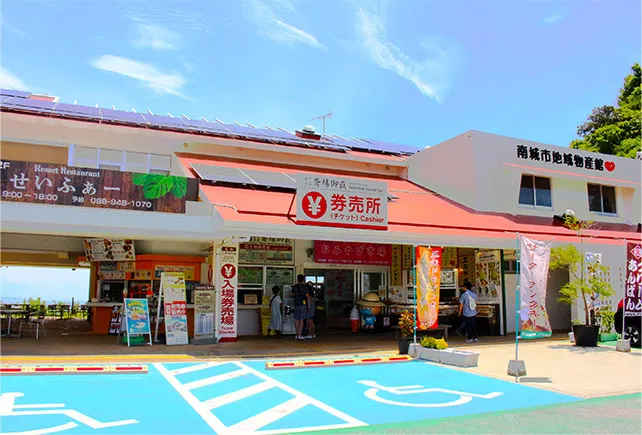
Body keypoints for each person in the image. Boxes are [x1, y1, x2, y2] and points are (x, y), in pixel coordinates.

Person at [291, 274, 309, 340]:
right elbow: (307, 296)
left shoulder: (294, 287)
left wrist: (296, 295)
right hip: (303, 304)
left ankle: (296, 334)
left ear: (297, 279)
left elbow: (292, 295)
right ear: (303, 279)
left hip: (296, 304)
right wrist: (308, 306)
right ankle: (300, 334)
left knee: (296, 319)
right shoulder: (305, 287)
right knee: (301, 320)